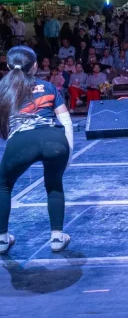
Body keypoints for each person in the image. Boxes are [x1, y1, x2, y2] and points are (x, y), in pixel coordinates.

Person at [0, 46, 74, 254]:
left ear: (8, 66)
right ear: (34, 66)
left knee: (3, 186)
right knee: (54, 184)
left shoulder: (3, 88)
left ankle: (2, 240)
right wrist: (68, 154)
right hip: (54, 140)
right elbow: (66, 122)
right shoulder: (48, 87)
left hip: (21, 142)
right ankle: (57, 237)